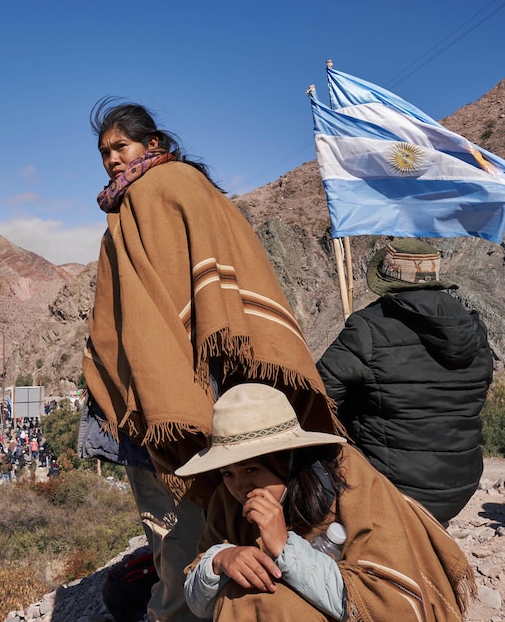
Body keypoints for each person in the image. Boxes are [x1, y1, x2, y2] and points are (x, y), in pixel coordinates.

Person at [80, 99, 340, 622]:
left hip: (176, 407)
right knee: (204, 526)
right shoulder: (186, 188)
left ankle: (180, 612)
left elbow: (146, 322)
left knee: (177, 532)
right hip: (216, 395)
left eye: (120, 147)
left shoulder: (149, 194)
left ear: (151, 144)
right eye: (104, 152)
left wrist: (163, 389)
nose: (111, 160)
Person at [180, 383, 474, 620]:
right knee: (241, 596)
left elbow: (390, 602)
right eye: (228, 473)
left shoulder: (349, 481)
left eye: (251, 469)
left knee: (272, 602)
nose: (239, 486)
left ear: (287, 459)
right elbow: (200, 605)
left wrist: (285, 547)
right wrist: (219, 561)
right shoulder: (226, 501)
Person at [317, 239, 495, 524]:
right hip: (459, 487)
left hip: (391, 488)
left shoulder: (367, 327)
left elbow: (317, 397)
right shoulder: (474, 329)